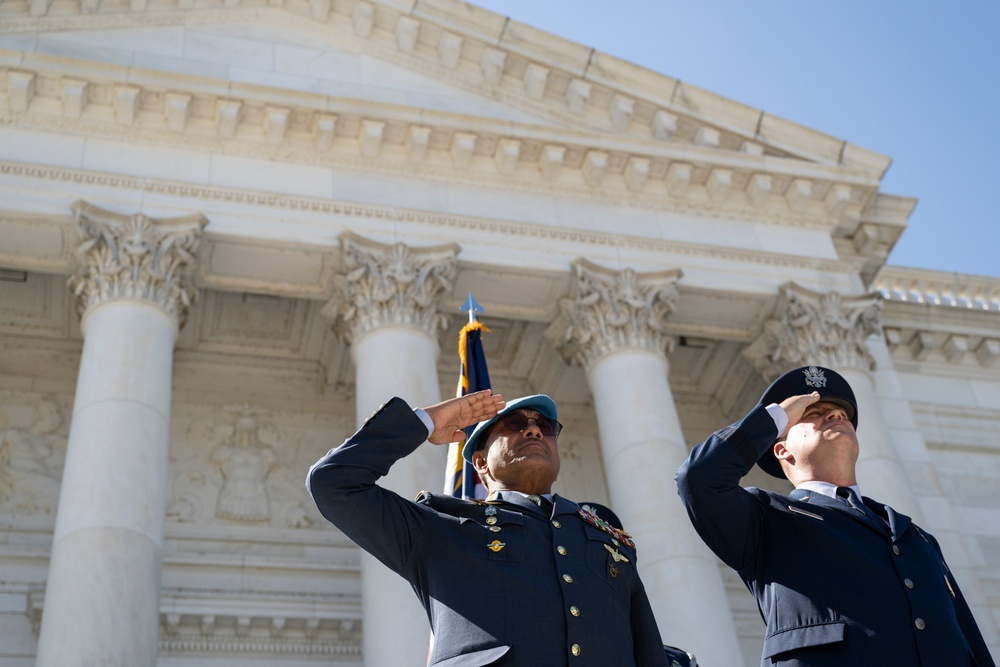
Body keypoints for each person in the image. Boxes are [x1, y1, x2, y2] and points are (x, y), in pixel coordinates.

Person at [308, 389, 674, 666]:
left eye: (545, 427)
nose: (533, 431)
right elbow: (333, 484)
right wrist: (426, 423)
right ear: (480, 463)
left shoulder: (609, 541)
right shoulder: (440, 527)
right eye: (515, 425)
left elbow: (649, 652)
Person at [676, 365, 995, 667]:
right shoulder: (767, 518)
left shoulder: (917, 537)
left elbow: (970, 642)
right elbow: (700, 478)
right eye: (813, 413)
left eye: (842, 414)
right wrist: (779, 414)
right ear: (782, 449)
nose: (834, 414)